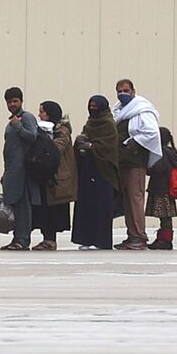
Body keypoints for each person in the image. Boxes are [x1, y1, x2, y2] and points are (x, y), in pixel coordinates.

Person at [113, 79, 163, 250]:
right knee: (127, 199)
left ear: (133, 91)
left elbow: (151, 133)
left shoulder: (142, 109)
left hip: (135, 162)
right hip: (123, 162)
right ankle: (131, 234)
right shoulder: (119, 111)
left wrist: (133, 142)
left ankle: (139, 236)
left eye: (126, 90)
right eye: (119, 91)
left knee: (135, 198)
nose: (122, 94)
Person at [72, 95, 120, 250]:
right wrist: (80, 143)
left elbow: (109, 148)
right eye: (90, 105)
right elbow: (84, 140)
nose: (93, 108)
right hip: (88, 170)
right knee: (86, 206)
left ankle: (101, 241)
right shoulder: (89, 123)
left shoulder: (108, 124)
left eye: (95, 106)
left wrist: (92, 147)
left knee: (101, 207)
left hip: (103, 172)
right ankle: (85, 239)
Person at [0, 87, 40, 251]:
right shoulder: (12, 121)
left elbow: (32, 136)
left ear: (21, 101)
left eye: (15, 101)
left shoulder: (26, 117)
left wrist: (18, 126)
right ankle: (17, 238)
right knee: (15, 204)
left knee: (23, 207)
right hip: (12, 169)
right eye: (9, 102)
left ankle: (23, 240)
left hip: (23, 170)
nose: (12, 104)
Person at [34, 101, 75, 251]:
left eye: (42, 112)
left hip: (57, 177)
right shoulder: (45, 129)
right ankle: (47, 238)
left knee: (52, 210)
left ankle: (50, 240)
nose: (39, 115)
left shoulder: (62, 130)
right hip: (47, 175)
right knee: (45, 208)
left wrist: (44, 140)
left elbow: (57, 147)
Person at [146, 127, 177, 249]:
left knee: (164, 216)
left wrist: (148, 167)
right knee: (166, 216)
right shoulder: (171, 151)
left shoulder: (160, 152)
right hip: (168, 188)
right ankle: (164, 239)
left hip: (160, 188)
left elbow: (158, 169)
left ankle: (165, 240)